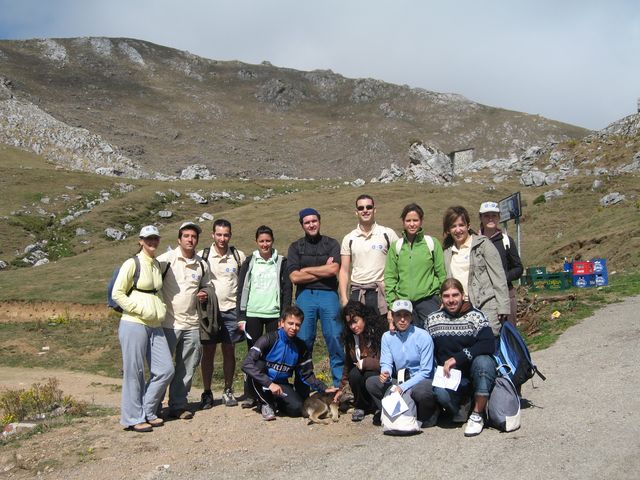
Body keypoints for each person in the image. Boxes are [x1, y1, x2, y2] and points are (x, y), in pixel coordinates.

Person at [112, 225, 174, 432]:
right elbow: (117, 293)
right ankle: (132, 417)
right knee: (134, 372)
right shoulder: (132, 263)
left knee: (165, 369)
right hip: (134, 323)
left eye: (155, 238)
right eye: (148, 238)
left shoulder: (156, 264)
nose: (152, 242)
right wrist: (139, 309)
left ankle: (146, 410)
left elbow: (156, 292)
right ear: (140, 241)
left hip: (155, 324)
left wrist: (160, 308)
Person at [425, 278, 497, 437]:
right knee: (440, 393)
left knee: (484, 361)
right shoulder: (432, 320)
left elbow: (488, 344)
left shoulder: (476, 316)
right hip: (449, 376)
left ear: (463, 295)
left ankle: (478, 413)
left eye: (455, 295)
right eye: (446, 296)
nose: (451, 300)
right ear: (441, 298)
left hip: (474, 371)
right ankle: (461, 407)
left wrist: (458, 358)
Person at [241, 306, 335, 421]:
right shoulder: (268, 339)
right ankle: (265, 404)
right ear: (281, 323)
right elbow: (246, 364)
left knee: (297, 409)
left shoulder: (301, 346)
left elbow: (307, 374)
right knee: (257, 365)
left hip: (281, 384)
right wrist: (269, 384)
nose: (294, 328)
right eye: (290, 323)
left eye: (297, 325)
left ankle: (274, 402)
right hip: (261, 381)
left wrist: (324, 388)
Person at [157, 222, 210, 420]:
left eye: (193, 236)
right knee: (162, 368)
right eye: (186, 236)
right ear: (179, 239)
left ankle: (178, 405)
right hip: (167, 323)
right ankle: (153, 407)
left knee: (187, 367)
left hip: (192, 323)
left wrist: (205, 292)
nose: (190, 239)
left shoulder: (202, 264)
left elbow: (207, 285)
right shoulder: (165, 260)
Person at [236, 225, 293, 408]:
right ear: (256, 242)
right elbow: (242, 288)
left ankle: (269, 395)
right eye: (261, 241)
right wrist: (241, 315)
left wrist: (283, 315)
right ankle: (251, 395)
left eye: (268, 240)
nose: (265, 244)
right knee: (252, 356)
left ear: (272, 241)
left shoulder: (281, 261)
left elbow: (286, 289)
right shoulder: (250, 261)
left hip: (274, 315)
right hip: (252, 314)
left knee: (271, 357)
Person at [287, 208, 344, 388]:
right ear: (302, 225)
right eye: (307, 222)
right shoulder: (295, 247)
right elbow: (295, 277)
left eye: (314, 221)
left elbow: (334, 270)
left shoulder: (332, 244)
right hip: (305, 296)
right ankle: (303, 387)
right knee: (304, 340)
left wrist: (305, 270)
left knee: (335, 338)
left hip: (329, 295)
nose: (311, 224)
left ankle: (340, 387)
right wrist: (323, 271)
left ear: (319, 221)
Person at [365, 299, 437, 427]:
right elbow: (386, 362)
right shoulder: (387, 337)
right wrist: (385, 373)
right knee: (372, 382)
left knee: (422, 391)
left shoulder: (423, 336)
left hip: (420, 380)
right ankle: (391, 413)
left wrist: (403, 387)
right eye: (398, 315)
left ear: (411, 317)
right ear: (392, 317)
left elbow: (426, 371)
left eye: (406, 315)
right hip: (401, 379)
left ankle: (427, 415)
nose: (402, 320)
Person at [199, 219, 246, 409]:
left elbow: (244, 282)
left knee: (229, 350)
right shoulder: (203, 255)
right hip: (209, 312)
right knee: (208, 352)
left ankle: (228, 390)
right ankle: (207, 392)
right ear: (212, 235)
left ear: (230, 235)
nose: (222, 238)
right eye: (219, 234)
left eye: (226, 234)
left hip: (231, 310)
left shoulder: (238, 256)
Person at [442, 206, 510, 336]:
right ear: (448, 230)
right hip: (459, 309)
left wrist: (503, 307)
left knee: (488, 346)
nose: (458, 230)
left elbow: (498, 277)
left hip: (485, 306)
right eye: (453, 226)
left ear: (468, 225)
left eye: (461, 225)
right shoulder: (447, 251)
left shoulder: (483, 245)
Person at [384, 203, 446, 330]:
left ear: (421, 221)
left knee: (434, 337)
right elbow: (390, 277)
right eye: (408, 220)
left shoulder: (432, 243)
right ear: (403, 222)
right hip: (403, 304)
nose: (412, 224)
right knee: (407, 341)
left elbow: (441, 274)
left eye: (415, 220)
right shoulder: (396, 246)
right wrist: (391, 304)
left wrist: (442, 298)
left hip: (429, 301)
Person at [338, 194, 399, 317]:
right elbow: (344, 270)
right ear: (356, 212)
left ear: (374, 210)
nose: (365, 210)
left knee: (383, 332)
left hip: (381, 293)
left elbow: (400, 263)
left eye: (368, 207)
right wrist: (344, 299)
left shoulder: (388, 234)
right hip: (357, 293)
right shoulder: (349, 238)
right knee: (359, 334)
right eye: (361, 208)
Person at [335, 300, 386, 422]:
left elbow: (384, 362)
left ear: (364, 318)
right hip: (360, 375)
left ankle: (376, 406)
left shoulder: (379, 334)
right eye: (349, 324)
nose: (353, 326)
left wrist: (365, 363)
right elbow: (347, 365)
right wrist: (340, 389)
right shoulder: (350, 338)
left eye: (355, 321)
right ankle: (361, 406)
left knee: (369, 374)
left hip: (379, 374)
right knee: (354, 374)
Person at [478, 201, 523, 326]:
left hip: (506, 295)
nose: (491, 218)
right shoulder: (474, 241)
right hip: (481, 296)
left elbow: (518, 268)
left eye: (494, 215)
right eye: (487, 216)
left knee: (509, 334)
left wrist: (502, 279)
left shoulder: (506, 241)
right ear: (480, 218)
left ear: (499, 217)